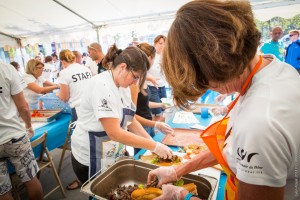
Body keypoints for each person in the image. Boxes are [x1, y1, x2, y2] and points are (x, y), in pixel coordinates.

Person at [147, 1, 300, 200]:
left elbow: (253, 140)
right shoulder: (272, 66)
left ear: (221, 61)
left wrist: (182, 196)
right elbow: (234, 147)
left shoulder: (260, 123)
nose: (205, 88)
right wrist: (177, 170)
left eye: (204, 80)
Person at [71, 44, 173, 184]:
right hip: (90, 156)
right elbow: (115, 133)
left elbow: (130, 120)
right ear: (123, 67)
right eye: (135, 77)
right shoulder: (102, 85)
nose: (135, 82)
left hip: (111, 151)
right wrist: (153, 146)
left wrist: (152, 142)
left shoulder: (122, 85)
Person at [0, 61, 43, 200]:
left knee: (3, 190)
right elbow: (23, 106)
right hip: (14, 135)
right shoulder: (6, 68)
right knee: (30, 178)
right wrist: (29, 126)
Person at [130, 43, 174, 154]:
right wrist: (155, 124)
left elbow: (144, 104)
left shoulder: (143, 78)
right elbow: (131, 116)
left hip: (148, 125)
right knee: (143, 157)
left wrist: (160, 105)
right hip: (140, 128)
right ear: (149, 58)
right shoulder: (134, 83)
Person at [146, 35, 168, 121]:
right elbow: (144, 72)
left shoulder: (165, 56)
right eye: (160, 43)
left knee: (164, 110)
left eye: (164, 44)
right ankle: (154, 129)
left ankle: (160, 130)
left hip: (162, 87)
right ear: (155, 43)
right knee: (157, 113)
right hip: (152, 87)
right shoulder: (151, 56)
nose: (163, 45)